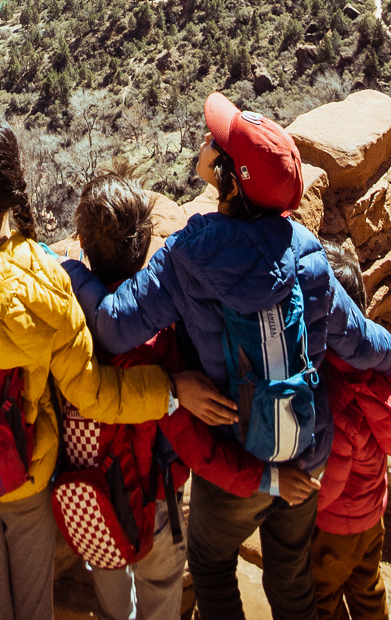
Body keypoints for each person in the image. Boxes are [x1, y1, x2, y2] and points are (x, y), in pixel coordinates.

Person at [0, 116, 229, 620]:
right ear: (15, 186)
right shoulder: (48, 280)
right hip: (30, 471)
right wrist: (168, 389)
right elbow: (93, 394)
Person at [83, 94, 391, 620]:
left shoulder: (188, 255)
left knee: (210, 564)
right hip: (306, 449)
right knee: (291, 573)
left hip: (237, 458)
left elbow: (116, 328)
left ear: (230, 178)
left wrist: (71, 274)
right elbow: (365, 344)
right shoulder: (306, 253)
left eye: (218, 143)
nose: (208, 140)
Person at [62, 174, 274, 620]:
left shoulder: (66, 314)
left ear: (81, 240)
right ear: (143, 250)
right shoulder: (158, 337)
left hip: (95, 488)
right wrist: (265, 479)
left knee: (109, 572)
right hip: (157, 494)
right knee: (160, 587)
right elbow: (193, 441)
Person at [310, 245, 391, 620]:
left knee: (320, 597)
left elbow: (331, 477)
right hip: (373, 512)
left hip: (335, 526)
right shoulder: (381, 368)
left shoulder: (333, 388)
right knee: (368, 586)